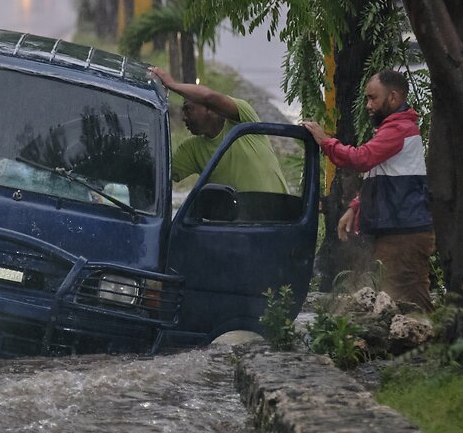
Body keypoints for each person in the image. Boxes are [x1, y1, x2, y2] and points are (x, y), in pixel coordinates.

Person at [301, 70, 434, 312]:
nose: (367, 105)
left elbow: (362, 159)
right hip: (398, 232)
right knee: (401, 303)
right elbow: (382, 177)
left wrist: (325, 141)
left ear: (393, 97)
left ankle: (434, 346)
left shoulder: (399, 130)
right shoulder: (393, 129)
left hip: (403, 235)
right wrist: (355, 208)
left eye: (373, 98)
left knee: (410, 305)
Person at [149, 67, 289, 195]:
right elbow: (158, 173)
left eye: (188, 109)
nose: (184, 118)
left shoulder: (243, 119)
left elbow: (209, 97)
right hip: (240, 221)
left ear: (209, 108)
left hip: (280, 217)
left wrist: (172, 85)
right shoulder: (192, 149)